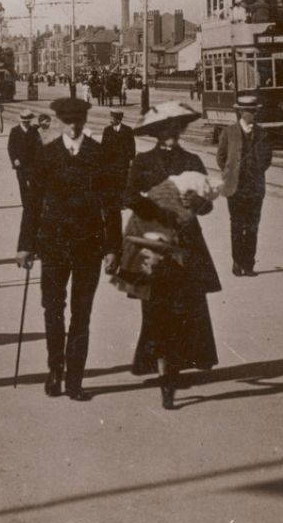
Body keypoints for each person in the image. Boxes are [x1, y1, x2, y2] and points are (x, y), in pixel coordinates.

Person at [113, 101, 220, 409]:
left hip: (187, 242)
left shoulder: (192, 159)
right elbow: (128, 195)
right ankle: (164, 374)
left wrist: (196, 202)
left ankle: (177, 366)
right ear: (158, 133)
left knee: (187, 304)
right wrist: (154, 206)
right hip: (152, 241)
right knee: (157, 306)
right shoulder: (143, 161)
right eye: (166, 130)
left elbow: (208, 204)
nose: (172, 134)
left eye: (176, 129)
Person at [15, 98, 122, 401]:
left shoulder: (99, 154)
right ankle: (54, 370)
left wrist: (113, 247)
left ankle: (75, 379)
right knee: (52, 309)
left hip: (89, 245)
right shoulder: (46, 155)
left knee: (82, 313)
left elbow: (111, 206)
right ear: (60, 121)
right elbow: (33, 205)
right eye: (69, 120)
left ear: (85, 120)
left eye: (79, 120)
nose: (74, 126)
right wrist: (25, 246)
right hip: (53, 244)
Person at [216, 95, 272, 276]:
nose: (251, 114)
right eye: (248, 111)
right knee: (237, 225)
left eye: (254, 111)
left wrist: (256, 171)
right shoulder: (229, 132)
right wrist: (230, 173)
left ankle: (249, 264)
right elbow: (221, 157)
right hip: (235, 187)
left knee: (253, 225)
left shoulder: (262, 133)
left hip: (255, 187)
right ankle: (237, 261)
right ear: (240, 112)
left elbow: (267, 158)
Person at [100, 109, 136, 222]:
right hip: (110, 163)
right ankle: (115, 202)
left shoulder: (127, 130)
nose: (110, 120)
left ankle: (121, 202)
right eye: (110, 118)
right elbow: (103, 146)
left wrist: (129, 158)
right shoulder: (107, 130)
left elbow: (132, 146)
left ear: (118, 119)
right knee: (112, 182)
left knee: (122, 182)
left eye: (112, 118)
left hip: (122, 163)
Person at [7, 109, 42, 208]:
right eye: (24, 122)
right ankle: (26, 205)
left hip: (32, 162)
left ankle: (32, 203)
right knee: (22, 184)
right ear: (21, 121)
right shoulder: (15, 131)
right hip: (20, 164)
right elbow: (11, 147)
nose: (26, 123)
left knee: (33, 184)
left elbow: (39, 145)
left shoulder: (34, 131)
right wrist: (14, 159)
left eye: (28, 122)